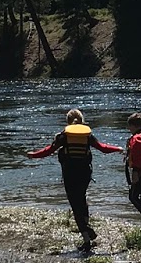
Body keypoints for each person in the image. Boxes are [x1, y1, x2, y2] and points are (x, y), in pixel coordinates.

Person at [25, 108, 123, 252]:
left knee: (75, 205)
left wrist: (34, 155)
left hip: (70, 174)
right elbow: (103, 148)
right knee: (82, 199)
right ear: (82, 120)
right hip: (85, 174)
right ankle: (86, 229)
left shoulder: (63, 136)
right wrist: (117, 148)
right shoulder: (87, 135)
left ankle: (86, 237)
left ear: (68, 122)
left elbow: (49, 150)